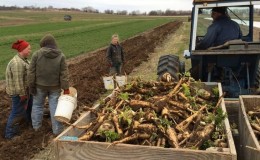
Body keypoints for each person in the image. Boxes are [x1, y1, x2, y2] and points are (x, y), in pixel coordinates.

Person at [28, 34, 70, 135]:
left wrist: (31, 86)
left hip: (39, 86)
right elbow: (64, 74)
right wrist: (66, 88)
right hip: (55, 87)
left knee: (37, 106)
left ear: (44, 44)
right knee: (55, 108)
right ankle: (57, 131)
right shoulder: (61, 56)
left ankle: (37, 128)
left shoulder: (36, 54)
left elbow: (31, 72)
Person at [5, 40, 33, 139]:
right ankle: (10, 134)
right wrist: (22, 94)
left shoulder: (24, 60)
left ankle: (29, 124)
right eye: (28, 49)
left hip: (26, 91)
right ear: (22, 50)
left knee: (29, 108)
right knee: (17, 112)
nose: (30, 51)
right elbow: (18, 81)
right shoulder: (17, 63)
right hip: (19, 93)